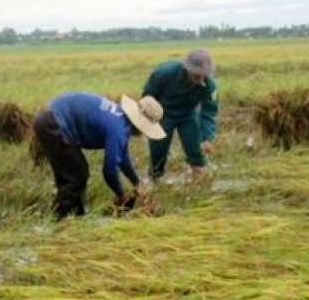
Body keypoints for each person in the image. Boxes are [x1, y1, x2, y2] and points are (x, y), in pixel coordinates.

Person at [32, 92, 166, 219]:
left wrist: (136, 182)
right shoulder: (118, 129)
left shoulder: (120, 119)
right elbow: (109, 171)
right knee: (76, 176)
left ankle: (75, 217)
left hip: (51, 117)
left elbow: (122, 157)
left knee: (73, 175)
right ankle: (59, 219)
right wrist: (122, 195)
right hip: (54, 122)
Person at [142, 48, 219, 180]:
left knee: (195, 149)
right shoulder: (165, 72)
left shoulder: (210, 85)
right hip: (163, 113)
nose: (200, 78)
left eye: (203, 74)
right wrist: (150, 113)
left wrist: (207, 137)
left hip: (188, 114)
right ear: (187, 68)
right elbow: (148, 94)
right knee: (158, 150)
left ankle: (198, 177)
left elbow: (209, 111)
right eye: (196, 74)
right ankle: (156, 178)